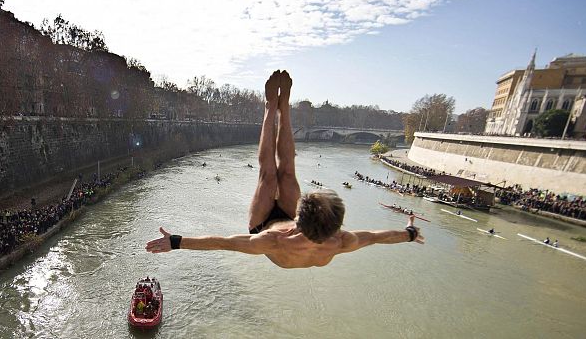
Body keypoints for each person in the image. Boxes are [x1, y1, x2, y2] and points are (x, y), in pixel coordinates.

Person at [146, 71, 424, 268]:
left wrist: (176, 242)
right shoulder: (342, 240)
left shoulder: (271, 240)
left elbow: (224, 242)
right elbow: (379, 237)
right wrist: (410, 233)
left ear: (300, 217)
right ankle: (285, 107)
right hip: (295, 223)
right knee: (288, 171)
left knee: (268, 173)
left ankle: (270, 107)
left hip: (264, 222)